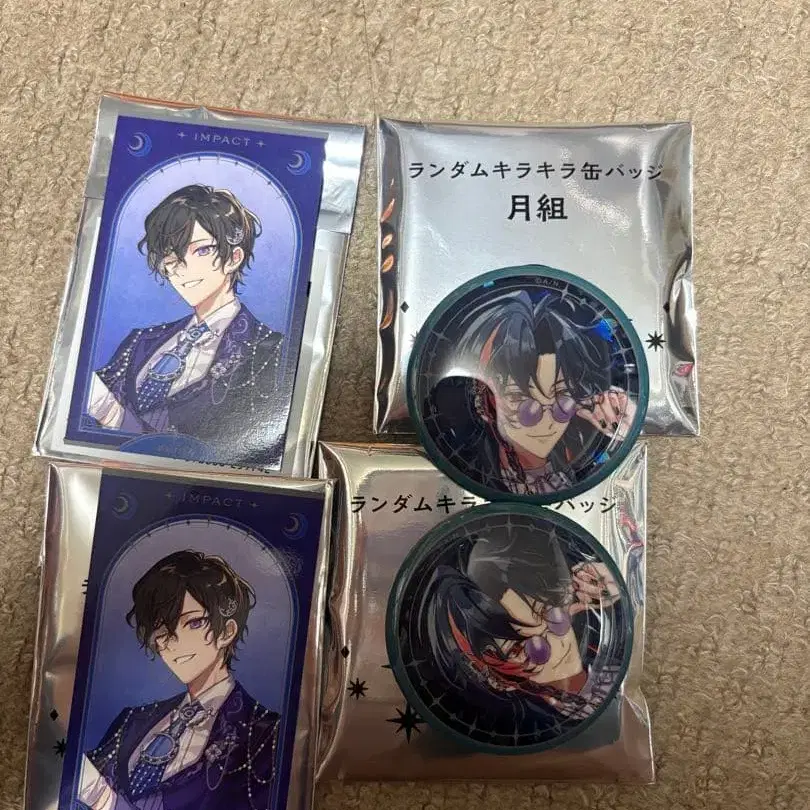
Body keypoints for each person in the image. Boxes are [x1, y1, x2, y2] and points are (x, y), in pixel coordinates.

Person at [87, 185, 283, 464]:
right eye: (171, 257)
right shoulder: (141, 341)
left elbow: (244, 455)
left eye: (201, 250)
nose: (182, 268)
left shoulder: (268, 352)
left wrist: (111, 413)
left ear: (234, 258)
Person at [78, 550, 279, 810]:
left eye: (193, 623)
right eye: (162, 632)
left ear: (227, 632)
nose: (174, 643)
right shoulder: (132, 721)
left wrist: (103, 799)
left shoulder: (263, 734)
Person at [413, 522, 624, 731]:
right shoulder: (537, 727)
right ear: (496, 680)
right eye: (519, 648)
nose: (555, 644)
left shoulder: (612, 661)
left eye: (549, 614)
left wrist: (616, 582)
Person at [439, 288, 637, 495]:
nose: (547, 420)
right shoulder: (470, 468)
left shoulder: (577, 462)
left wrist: (625, 426)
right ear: (482, 400)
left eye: (561, 394)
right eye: (519, 397)